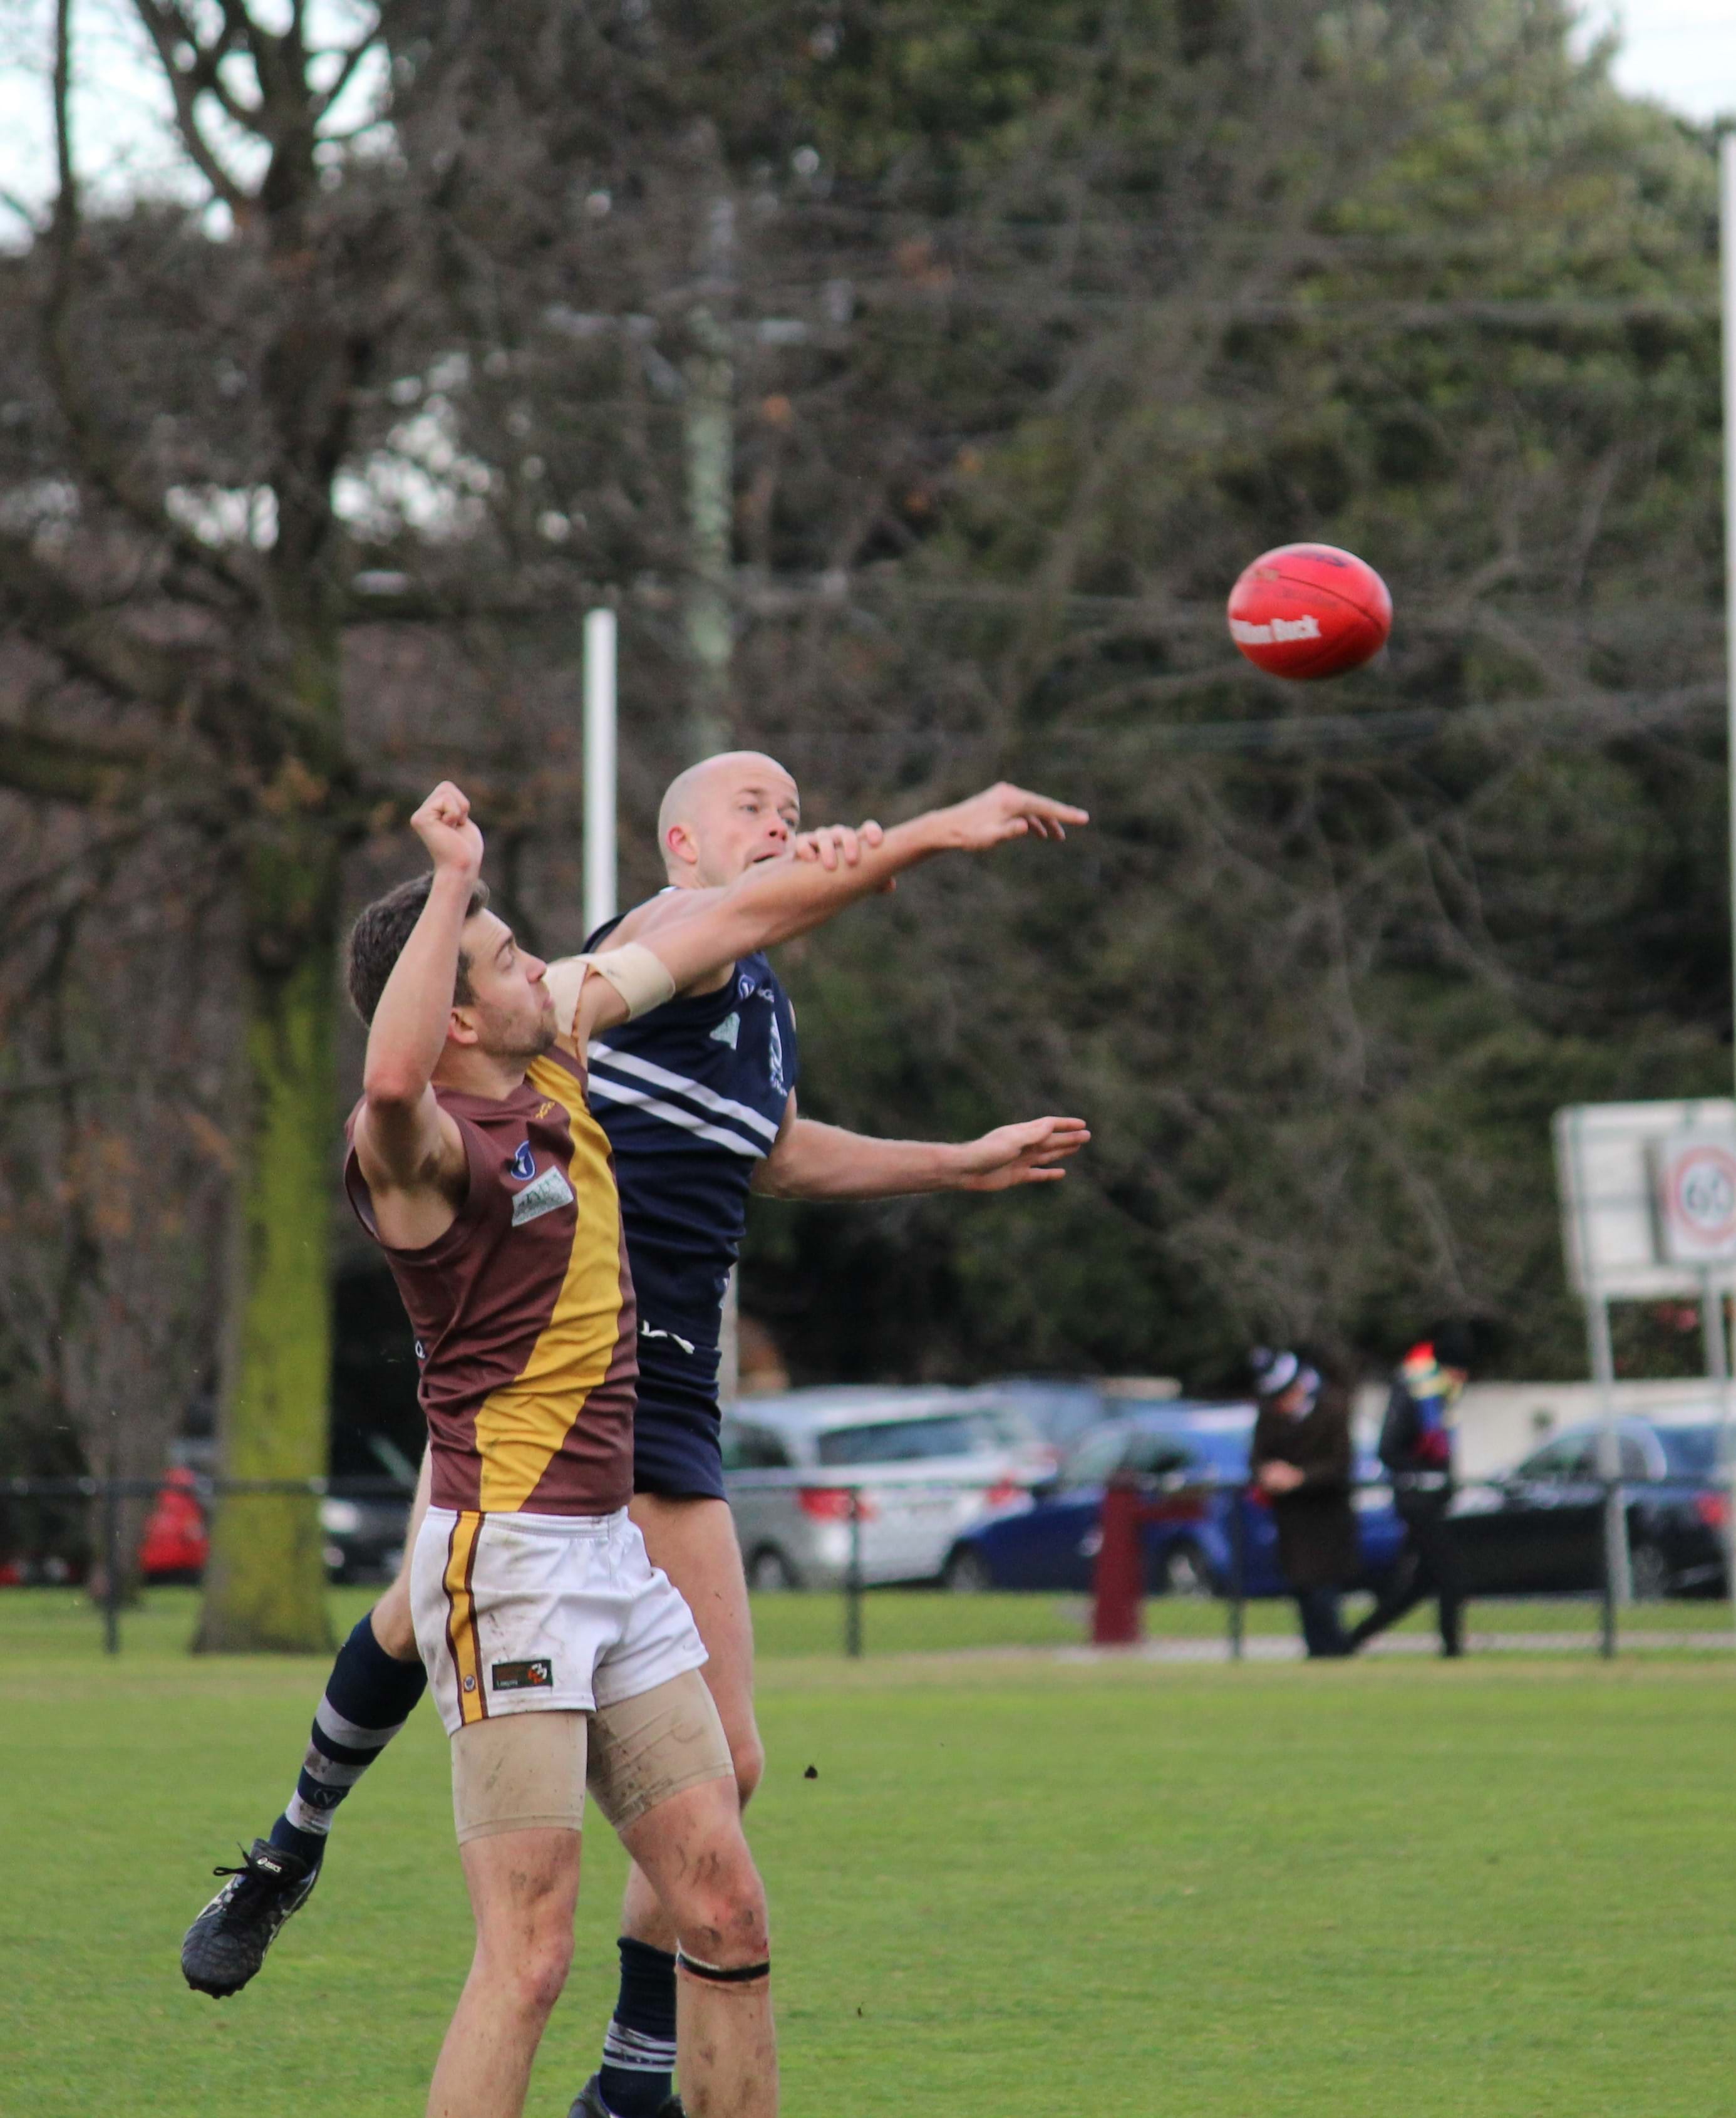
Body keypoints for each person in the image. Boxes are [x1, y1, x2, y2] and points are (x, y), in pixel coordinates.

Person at [182, 772, 1087, 2118]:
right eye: (505, 958)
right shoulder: (418, 1146)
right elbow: (393, 1073)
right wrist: (450, 880)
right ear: (457, 1013)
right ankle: (291, 1845)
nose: (541, 965)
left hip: (609, 1531)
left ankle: (628, 2085)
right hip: (515, 1549)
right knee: (527, 1951)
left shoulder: (564, 1040)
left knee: (725, 1896)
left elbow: (753, 954)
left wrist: (916, 850)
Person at [1346, 1324, 1473, 1658]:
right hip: (1416, 1500)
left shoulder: (1440, 1395)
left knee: (1421, 1584)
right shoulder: (1415, 1390)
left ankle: (1352, 1640)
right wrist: (1422, 1474)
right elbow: (1388, 1449)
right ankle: (1453, 1650)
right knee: (1450, 1573)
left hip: (1433, 1500)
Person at [1248, 1348, 1358, 1659]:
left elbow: (1340, 1466)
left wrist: (1300, 1477)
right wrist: (1268, 1474)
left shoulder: (1332, 1409)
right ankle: (1316, 1652)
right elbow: (1256, 1458)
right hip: (1292, 1521)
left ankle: (1336, 1653)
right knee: (1302, 1592)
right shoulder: (1270, 1416)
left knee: (1324, 1593)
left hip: (1326, 1518)